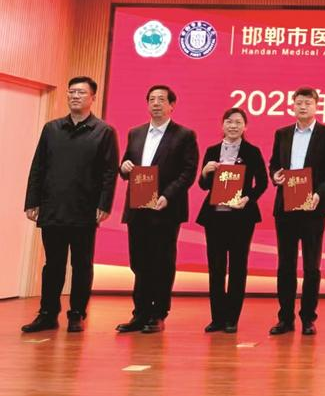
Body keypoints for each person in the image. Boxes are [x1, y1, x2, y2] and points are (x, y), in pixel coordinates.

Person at [21, 76, 119, 333]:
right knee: (52, 265)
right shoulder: (51, 129)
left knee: (82, 265)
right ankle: (47, 314)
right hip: (52, 207)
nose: (75, 96)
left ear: (93, 98)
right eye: (72, 92)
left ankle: (77, 314)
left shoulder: (104, 131)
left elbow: (109, 173)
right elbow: (38, 167)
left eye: (81, 93)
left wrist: (104, 204)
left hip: (85, 209)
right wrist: (32, 201)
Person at [117, 84, 199, 334]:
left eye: (161, 100)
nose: (156, 104)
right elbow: (126, 165)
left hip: (165, 208)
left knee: (162, 262)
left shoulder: (184, 135)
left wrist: (167, 196)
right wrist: (124, 167)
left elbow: (188, 172)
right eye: (151, 99)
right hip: (138, 206)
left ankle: (158, 313)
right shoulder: (136, 133)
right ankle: (140, 313)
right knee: (139, 262)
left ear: (172, 105)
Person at [268, 87, 325, 336]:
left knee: (312, 266)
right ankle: (285, 318)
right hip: (286, 207)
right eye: (298, 102)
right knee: (285, 265)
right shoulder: (282, 133)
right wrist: (275, 176)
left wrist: (319, 193)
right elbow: (274, 164)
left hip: (313, 207)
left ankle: (308, 318)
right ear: (292, 106)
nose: (302, 107)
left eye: (307, 103)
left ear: (316, 106)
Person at [195, 107, 268, 334]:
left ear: (245, 126)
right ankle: (217, 317)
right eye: (229, 121)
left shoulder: (252, 151)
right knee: (216, 267)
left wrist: (248, 198)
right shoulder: (212, 150)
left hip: (241, 217)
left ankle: (231, 318)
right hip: (215, 217)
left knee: (237, 267)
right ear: (222, 125)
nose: (233, 126)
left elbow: (262, 183)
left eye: (238, 122)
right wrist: (205, 172)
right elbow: (203, 186)